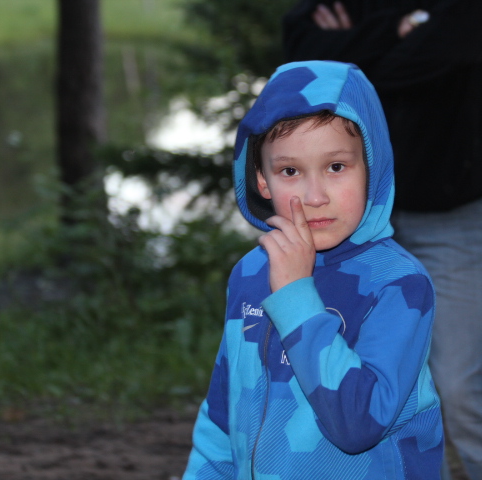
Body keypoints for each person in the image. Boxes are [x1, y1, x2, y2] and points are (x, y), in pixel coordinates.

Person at [282, 2, 482, 480]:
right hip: (353, 221)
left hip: (454, 215)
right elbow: (303, 51)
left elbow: (446, 51)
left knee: (466, 391)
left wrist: (353, 51)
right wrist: (397, 29)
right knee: (378, 392)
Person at [183, 60, 444, 479]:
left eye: (336, 167)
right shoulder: (251, 272)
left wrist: (296, 297)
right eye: (290, 171)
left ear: (372, 166)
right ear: (263, 180)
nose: (315, 196)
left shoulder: (398, 285)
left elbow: (358, 426)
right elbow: (223, 411)